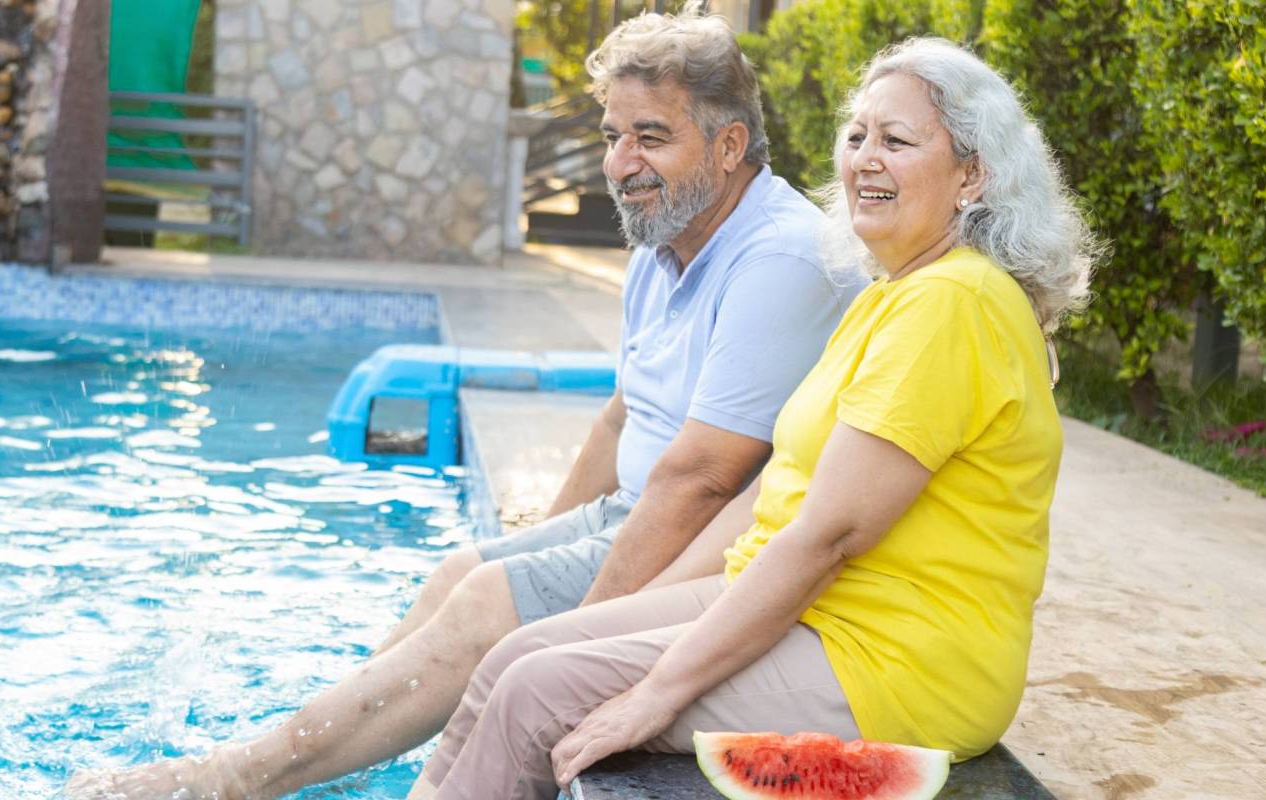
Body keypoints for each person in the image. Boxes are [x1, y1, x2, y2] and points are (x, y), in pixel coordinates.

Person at [66, 13, 862, 800]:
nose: (621, 163)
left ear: (729, 146)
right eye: (612, 135)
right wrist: (530, 548)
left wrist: (560, 640)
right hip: (635, 510)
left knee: (489, 600)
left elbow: (704, 479)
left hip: (708, 545)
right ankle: (325, 756)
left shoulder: (779, 258)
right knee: (465, 569)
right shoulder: (669, 235)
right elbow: (624, 415)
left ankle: (236, 779)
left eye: (650, 137)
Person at [404, 36, 1098, 799]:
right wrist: (633, 613)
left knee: (538, 691)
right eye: (858, 135)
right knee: (517, 656)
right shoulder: (895, 292)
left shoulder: (953, 304)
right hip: (812, 609)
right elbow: (776, 502)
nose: (866, 157)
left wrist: (659, 688)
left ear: (973, 174)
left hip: (892, 658)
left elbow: (828, 534)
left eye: (897, 141)